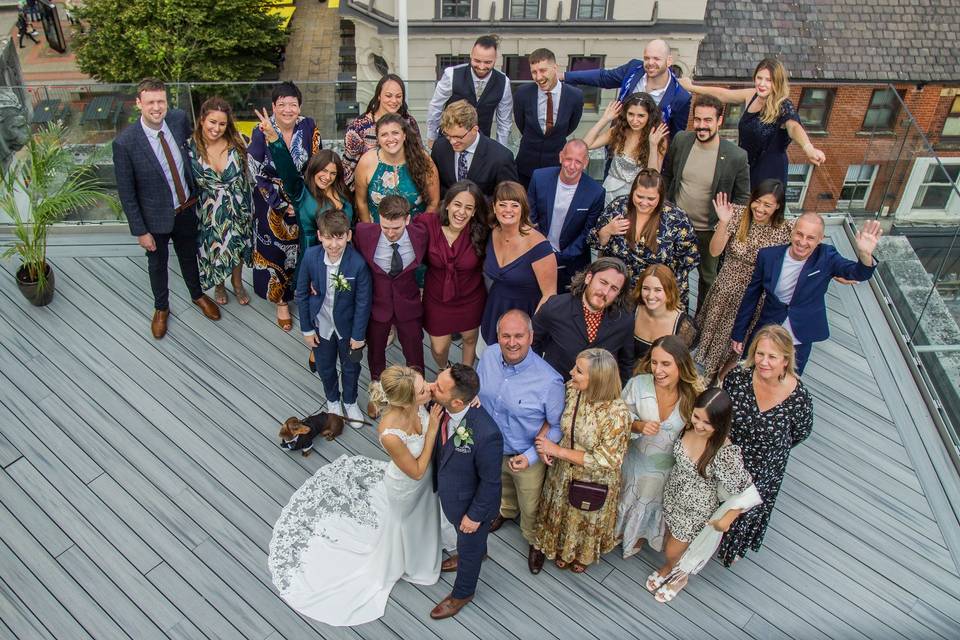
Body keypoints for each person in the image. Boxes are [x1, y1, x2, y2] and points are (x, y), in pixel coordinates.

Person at [268, 366, 443, 626]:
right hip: (407, 485)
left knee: (426, 515)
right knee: (406, 524)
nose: (429, 387)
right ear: (406, 400)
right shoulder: (389, 431)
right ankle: (409, 561)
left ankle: (424, 550)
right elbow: (416, 472)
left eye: (424, 383)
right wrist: (431, 433)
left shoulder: (419, 403)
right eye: (422, 389)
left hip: (428, 478)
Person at [113, 78, 220, 340]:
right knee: (158, 265)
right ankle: (161, 308)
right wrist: (140, 231)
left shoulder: (178, 119)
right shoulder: (125, 143)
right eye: (150, 102)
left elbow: (195, 149)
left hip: (186, 209)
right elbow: (126, 193)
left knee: (188, 256)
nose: (157, 107)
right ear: (139, 103)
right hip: (154, 219)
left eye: (161, 101)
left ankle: (197, 294)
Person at [731, 214, 882, 374]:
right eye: (799, 234)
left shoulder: (827, 257)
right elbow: (751, 296)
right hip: (768, 328)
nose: (802, 242)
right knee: (748, 373)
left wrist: (865, 254)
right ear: (792, 231)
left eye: (810, 238)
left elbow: (858, 273)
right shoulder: (768, 256)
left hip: (800, 335)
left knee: (789, 381)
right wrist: (738, 333)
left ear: (820, 239)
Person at [476, 310, 565, 574]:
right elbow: (479, 392)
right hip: (491, 447)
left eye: (518, 336)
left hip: (525, 456)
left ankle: (535, 541)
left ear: (530, 337)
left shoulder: (550, 381)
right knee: (501, 488)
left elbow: (558, 426)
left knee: (530, 505)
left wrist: (530, 456)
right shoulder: (489, 355)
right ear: (498, 336)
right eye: (506, 335)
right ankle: (505, 511)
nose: (511, 342)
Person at [719, 325, 813, 566]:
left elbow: (801, 432)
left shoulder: (799, 398)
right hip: (730, 457)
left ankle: (731, 547)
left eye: (772, 356)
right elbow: (721, 413)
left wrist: (770, 450)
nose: (764, 362)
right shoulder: (737, 378)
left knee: (745, 513)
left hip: (765, 469)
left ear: (785, 360)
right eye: (760, 354)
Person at [650, 388, 755, 603]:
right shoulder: (688, 427)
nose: (699, 425)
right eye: (697, 416)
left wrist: (728, 517)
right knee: (670, 538)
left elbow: (746, 491)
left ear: (720, 423)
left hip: (695, 511)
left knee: (672, 550)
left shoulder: (724, 452)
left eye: (707, 423)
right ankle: (672, 566)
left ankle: (678, 576)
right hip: (673, 494)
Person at [532, 349, 631, 573]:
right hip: (562, 472)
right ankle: (559, 548)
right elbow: (555, 416)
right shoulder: (573, 389)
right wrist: (544, 437)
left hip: (592, 480)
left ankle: (580, 555)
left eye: (578, 371)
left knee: (583, 517)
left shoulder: (617, 414)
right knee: (562, 511)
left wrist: (557, 451)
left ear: (596, 379)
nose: (570, 372)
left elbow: (606, 460)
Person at [695, 181, 793, 383]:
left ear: (778, 206)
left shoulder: (786, 230)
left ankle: (721, 382)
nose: (760, 208)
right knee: (712, 338)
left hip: (754, 297)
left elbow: (806, 248)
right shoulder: (738, 214)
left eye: (767, 204)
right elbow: (714, 251)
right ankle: (701, 379)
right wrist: (723, 221)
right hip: (725, 290)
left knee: (737, 346)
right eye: (757, 201)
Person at [661, 94, 751, 309]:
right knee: (668, 275)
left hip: (709, 231)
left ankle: (700, 325)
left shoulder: (736, 156)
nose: (702, 126)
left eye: (708, 120)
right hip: (678, 226)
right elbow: (668, 176)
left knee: (708, 280)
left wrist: (726, 224)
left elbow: (743, 198)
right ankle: (672, 319)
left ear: (719, 120)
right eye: (698, 119)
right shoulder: (682, 140)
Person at [429, 364, 503, 619]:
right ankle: (478, 551)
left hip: (471, 507)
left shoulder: (487, 434)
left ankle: (462, 593)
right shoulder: (444, 406)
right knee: (471, 546)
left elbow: (491, 483)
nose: (431, 387)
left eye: (438, 387)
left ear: (458, 402)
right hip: (450, 492)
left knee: (469, 550)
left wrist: (474, 516)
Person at [617, 335, 703, 557]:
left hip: (664, 469)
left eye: (666, 364)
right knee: (624, 497)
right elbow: (617, 419)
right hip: (633, 462)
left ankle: (638, 534)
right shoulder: (637, 385)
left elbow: (699, 433)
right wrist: (638, 426)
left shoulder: (692, 396)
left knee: (649, 503)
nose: (658, 370)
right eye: (654, 362)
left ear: (680, 364)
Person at [679, 58, 826, 187]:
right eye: (759, 78)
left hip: (768, 172)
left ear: (778, 82)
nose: (762, 84)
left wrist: (809, 148)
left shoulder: (783, 105)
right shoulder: (752, 95)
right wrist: (691, 87)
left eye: (769, 80)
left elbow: (793, 126)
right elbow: (723, 94)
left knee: (757, 212)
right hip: (746, 165)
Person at [248, 81, 321, 330]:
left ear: (299, 106)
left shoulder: (309, 126)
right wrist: (280, 204)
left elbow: (317, 163)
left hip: (302, 196)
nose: (288, 109)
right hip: (271, 202)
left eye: (293, 104)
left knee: (302, 249)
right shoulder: (261, 132)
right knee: (276, 252)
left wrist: (305, 199)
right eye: (282, 105)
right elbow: (256, 173)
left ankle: (302, 290)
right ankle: (281, 300)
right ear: (273, 107)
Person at [295, 210, 372, 425]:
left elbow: (363, 303)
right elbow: (301, 293)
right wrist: (307, 330)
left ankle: (350, 401)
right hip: (321, 326)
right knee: (324, 366)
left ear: (348, 235)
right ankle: (332, 400)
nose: (334, 244)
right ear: (320, 236)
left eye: (339, 237)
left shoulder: (358, 264)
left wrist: (358, 336)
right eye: (328, 237)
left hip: (349, 331)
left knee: (352, 367)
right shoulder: (310, 257)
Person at [353, 196, 428, 418]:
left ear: (408, 219)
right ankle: (377, 395)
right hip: (377, 305)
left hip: (409, 304)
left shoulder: (421, 235)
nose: (390, 233)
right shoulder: (363, 233)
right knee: (375, 352)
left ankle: (418, 397)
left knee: (415, 353)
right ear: (378, 218)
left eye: (396, 228)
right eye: (385, 226)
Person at [587, 169, 699, 308]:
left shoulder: (676, 219)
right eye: (639, 196)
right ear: (632, 191)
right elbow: (594, 242)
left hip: (654, 295)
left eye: (651, 199)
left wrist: (672, 300)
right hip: (618, 290)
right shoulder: (619, 207)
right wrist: (607, 230)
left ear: (661, 196)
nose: (644, 203)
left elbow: (687, 261)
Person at [415, 181, 489, 369]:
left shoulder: (482, 231)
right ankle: (444, 371)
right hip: (436, 297)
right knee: (439, 348)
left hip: (470, 297)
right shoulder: (427, 223)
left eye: (468, 207)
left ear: (474, 212)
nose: (461, 212)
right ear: (447, 204)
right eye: (457, 204)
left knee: (470, 339)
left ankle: (466, 378)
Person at [188, 97, 253, 307]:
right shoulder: (190, 149)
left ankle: (237, 282)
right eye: (212, 122)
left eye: (222, 124)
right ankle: (219, 283)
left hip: (238, 206)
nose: (217, 128)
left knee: (238, 245)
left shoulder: (239, 143)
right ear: (202, 120)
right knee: (215, 248)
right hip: (208, 209)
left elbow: (254, 172)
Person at [532, 257, 635, 384]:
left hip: (597, 397)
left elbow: (626, 364)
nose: (605, 292)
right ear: (588, 278)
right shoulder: (555, 307)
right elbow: (531, 344)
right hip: (554, 388)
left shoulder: (624, 320)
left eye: (614, 288)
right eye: (603, 282)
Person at [479, 181, 557, 345]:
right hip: (494, 309)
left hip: (524, 316)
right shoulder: (492, 232)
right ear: (494, 207)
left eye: (514, 205)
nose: (508, 210)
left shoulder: (539, 246)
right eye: (502, 204)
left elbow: (549, 294)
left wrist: (530, 330)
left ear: (523, 209)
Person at [563, 39, 691, 138]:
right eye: (647, 58)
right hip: (619, 144)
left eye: (656, 58)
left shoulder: (681, 97)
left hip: (648, 158)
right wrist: (564, 76)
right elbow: (603, 77)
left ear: (669, 61)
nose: (650, 63)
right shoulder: (634, 69)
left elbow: (675, 137)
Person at [527, 139, 605, 292]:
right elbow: (530, 217)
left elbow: (587, 233)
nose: (571, 166)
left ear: (586, 163)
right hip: (537, 253)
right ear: (561, 156)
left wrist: (559, 257)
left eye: (578, 162)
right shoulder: (539, 178)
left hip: (572, 263)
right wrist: (542, 251)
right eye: (568, 159)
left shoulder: (596, 192)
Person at [426, 35, 513, 147]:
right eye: (477, 61)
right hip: (449, 141)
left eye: (487, 62)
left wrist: (502, 150)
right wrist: (432, 137)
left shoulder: (504, 82)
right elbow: (436, 107)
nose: (481, 67)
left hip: (481, 145)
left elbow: (504, 123)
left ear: (495, 58)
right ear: (471, 55)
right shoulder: (451, 74)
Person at [513, 48, 584, 187]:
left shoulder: (575, 96)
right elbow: (521, 124)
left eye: (543, 70)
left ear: (555, 68)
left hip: (555, 167)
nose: (538, 77)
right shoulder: (522, 93)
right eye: (534, 72)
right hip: (525, 167)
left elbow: (571, 126)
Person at [583, 93, 669, 203]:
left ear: (650, 116)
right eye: (631, 114)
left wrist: (653, 145)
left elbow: (653, 176)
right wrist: (605, 119)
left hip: (637, 196)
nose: (634, 120)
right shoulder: (618, 131)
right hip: (610, 191)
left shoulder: (659, 139)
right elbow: (586, 144)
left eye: (641, 116)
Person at [355, 113, 440, 224]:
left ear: (404, 135)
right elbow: (361, 202)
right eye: (384, 134)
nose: (390, 139)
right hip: (378, 232)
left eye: (395, 133)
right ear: (378, 139)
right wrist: (370, 232)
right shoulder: (366, 162)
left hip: (416, 232)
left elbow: (434, 202)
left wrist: (421, 230)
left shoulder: (423, 159)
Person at [343, 74, 422, 190]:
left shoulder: (409, 123)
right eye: (388, 96)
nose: (394, 101)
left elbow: (419, 157)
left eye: (398, 96)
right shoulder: (358, 127)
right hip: (368, 192)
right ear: (379, 96)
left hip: (406, 191)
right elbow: (347, 167)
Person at [430, 100, 518, 199]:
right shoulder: (439, 148)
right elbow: (435, 186)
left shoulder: (501, 158)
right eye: (448, 135)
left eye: (459, 137)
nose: (452, 142)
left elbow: (509, 197)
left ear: (474, 130)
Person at [631, 264, 698, 362]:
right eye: (646, 288)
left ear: (669, 291)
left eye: (658, 290)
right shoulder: (632, 309)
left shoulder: (684, 327)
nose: (650, 296)